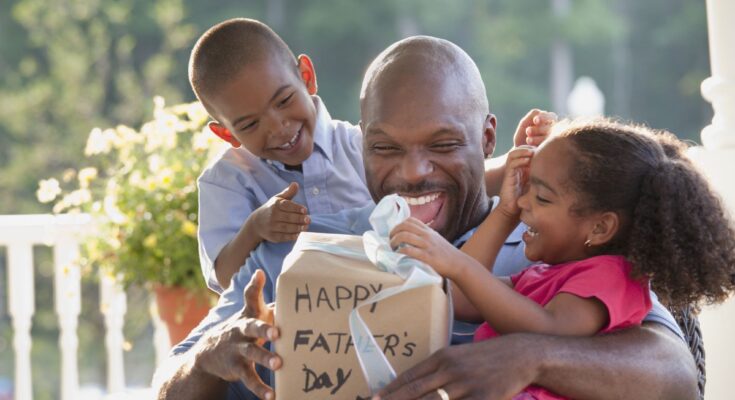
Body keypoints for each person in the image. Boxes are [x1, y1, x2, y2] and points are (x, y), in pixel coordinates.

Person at [153, 36, 698, 400]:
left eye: (442, 144)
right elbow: (166, 386)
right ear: (361, 144)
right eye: (385, 148)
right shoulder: (306, 250)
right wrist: (209, 358)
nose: (413, 173)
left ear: (487, 139)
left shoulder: (553, 246)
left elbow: (676, 374)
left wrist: (530, 357)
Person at [190, 18, 553, 293]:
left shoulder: (355, 145)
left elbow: (456, 181)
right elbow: (225, 282)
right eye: (251, 124)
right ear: (226, 133)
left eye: (284, 101)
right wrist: (255, 229)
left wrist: (524, 159)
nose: (278, 127)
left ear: (307, 76)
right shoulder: (230, 182)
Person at [388, 118, 735, 400]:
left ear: (600, 227)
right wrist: (506, 212)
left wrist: (458, 263)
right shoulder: (546, 275)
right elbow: (462, 297)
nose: (524, 203)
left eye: (541, 197)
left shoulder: (610, 278)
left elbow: (548, 332)